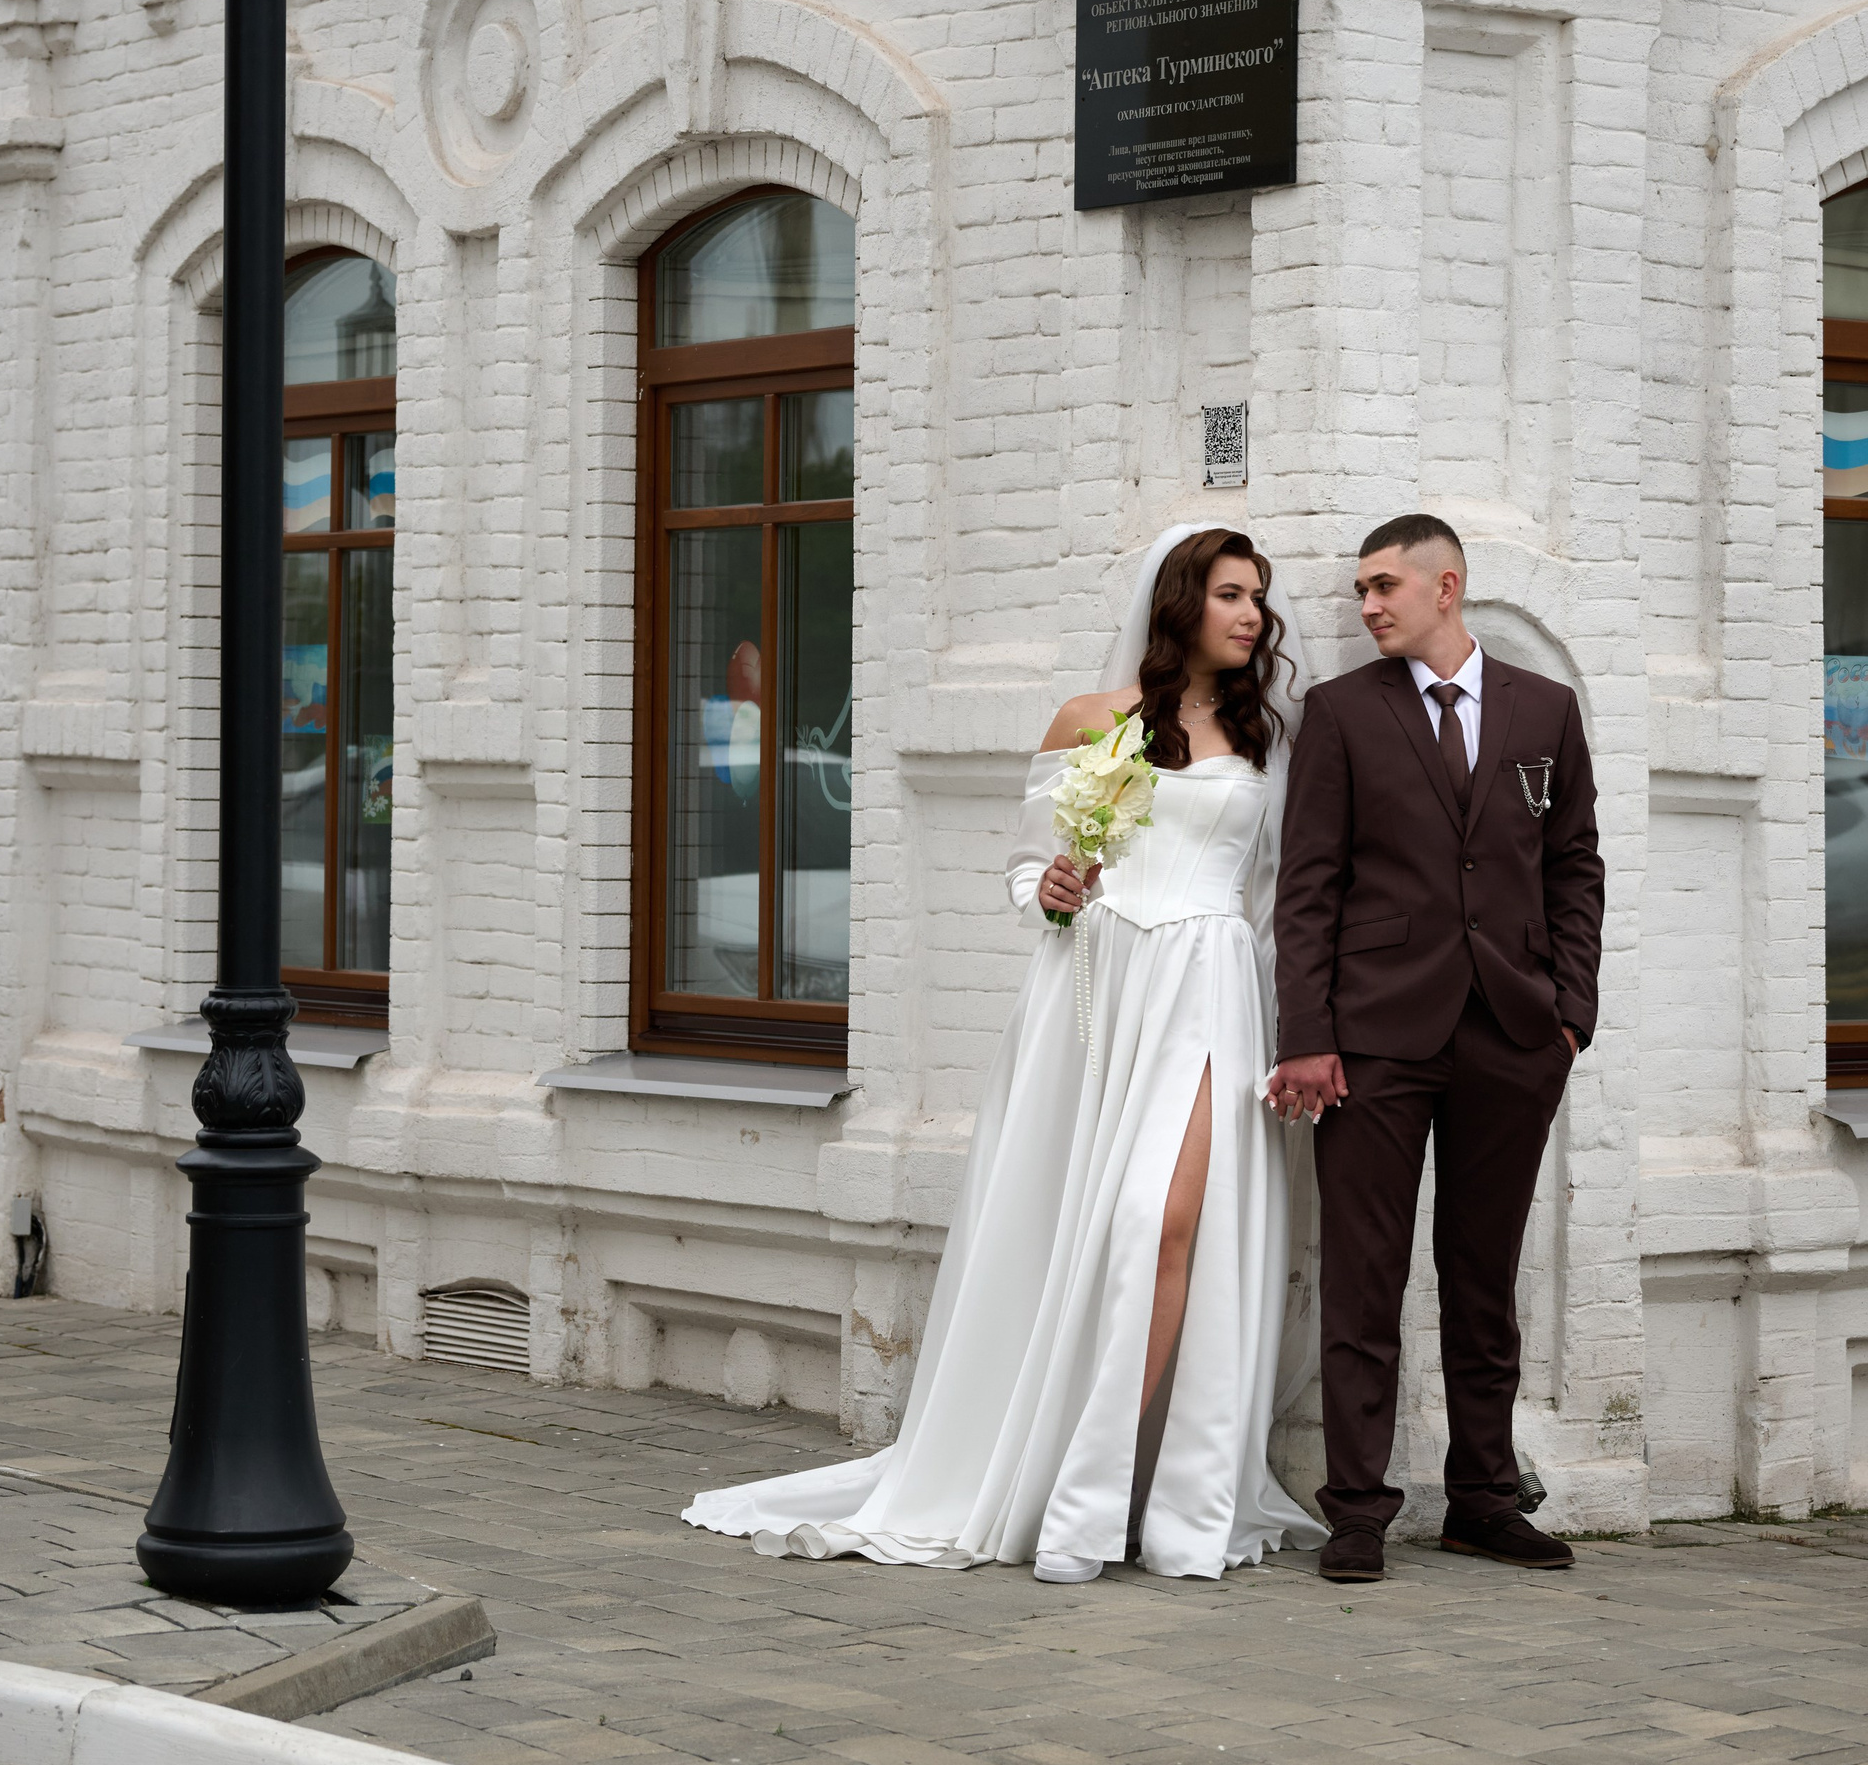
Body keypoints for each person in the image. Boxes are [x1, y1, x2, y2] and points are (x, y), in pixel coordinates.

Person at [684, 525, 1325, 1583]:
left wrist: (1291, 1024)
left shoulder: (1267, 736)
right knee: (1082, 1228)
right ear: (1180, 603)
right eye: (1229, 594)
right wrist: (1057, 892)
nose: (1252, 614)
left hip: (1212, 989)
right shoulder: (1090, 720)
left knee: (1162, 1224)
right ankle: (1062, 1483)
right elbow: (1031, 872)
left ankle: (1115, 1495)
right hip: (1097, 990)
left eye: (1258, 596)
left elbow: (1274, 898)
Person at [1270, 515, 1605, 1585]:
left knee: (1484, 1276)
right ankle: (1357, 1510)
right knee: (1364, 1279)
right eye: (1361, 591)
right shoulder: (1340, 714)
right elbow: (1308, 887)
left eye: (1384, 586)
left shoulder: (1544, 710)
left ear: (1445, 586)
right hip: (1374, 1039)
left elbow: (1574, 864)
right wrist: (1308, 1035)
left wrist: (1571, 1013)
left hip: (1514, 1034)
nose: (1367, 606)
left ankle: (1484, 1501)